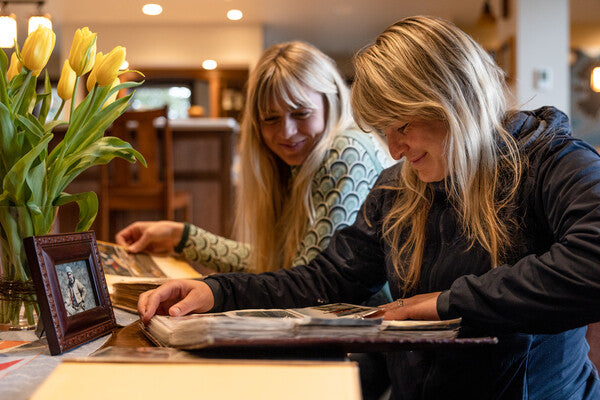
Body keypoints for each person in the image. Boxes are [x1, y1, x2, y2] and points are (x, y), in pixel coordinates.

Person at [137, 16, 600, 399]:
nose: (395, 151)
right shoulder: (397, 188)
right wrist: (220, 293)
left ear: (453, 100)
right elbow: (326, 279)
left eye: (402, 125)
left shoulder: (553, 161)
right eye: (384, 132)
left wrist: (446, 303)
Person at [116, 41, 393, 279]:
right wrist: (180, 237)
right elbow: (275, 262)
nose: (286, 132)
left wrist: (215, 290)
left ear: (329, 103)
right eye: (271, 119)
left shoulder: (347, 151)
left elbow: (307, 279)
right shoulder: (300, 164)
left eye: (300, 113)